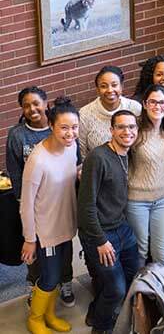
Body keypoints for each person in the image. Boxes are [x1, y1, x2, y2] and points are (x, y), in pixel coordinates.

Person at [6, 87, 75, 308]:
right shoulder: (22, 139)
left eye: (36, 103)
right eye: (26, 105)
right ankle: (36, 289)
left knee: (64, 252)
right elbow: (15, 172)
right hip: (36, 205)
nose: (32, 109)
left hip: (61, 203)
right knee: (39, 258)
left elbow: (75, 162)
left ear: (46, 104)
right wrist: (22, 203)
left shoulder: (67, 136)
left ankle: (63, 284)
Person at [20, 96, 80, 334]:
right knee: (50, 276)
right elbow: (26, 203)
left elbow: (64, 175)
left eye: (74, 127)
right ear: (52, 126)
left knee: (57, 274)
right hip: (46, 231)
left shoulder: (72, 147)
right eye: (64, 128)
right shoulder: (37, 160)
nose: (70, 133)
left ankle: (50, 314)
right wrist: (29, 238)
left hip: (65, 223)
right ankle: (35, 318)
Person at [78, 110, 140, 334]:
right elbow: (85, 206)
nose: (127, 131)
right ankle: (101, 328)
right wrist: (100, 241)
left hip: (122, 227)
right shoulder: (98, 158)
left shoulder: (128, 154)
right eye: (121, 127)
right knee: (116, 289)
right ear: (111, 130)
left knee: (133, 276)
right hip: (101, 233)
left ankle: (98, 309)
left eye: (132, 127)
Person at [127, 85, 164, 267]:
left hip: (163, 200)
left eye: (162, 102)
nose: (157, 106)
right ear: (145, 105)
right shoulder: (135, 132)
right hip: (137, 200)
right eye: (152, 102)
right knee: (140, 250)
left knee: (161, 253)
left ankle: (159, 290)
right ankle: (138, 293)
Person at [79, 65, 141, 159]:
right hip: (101, 170)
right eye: (103, 86)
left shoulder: (134, 108)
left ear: (121, 86)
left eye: (114, 85)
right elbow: (81, 152)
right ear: (97, 89)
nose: (110, 90)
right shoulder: (85, 114)